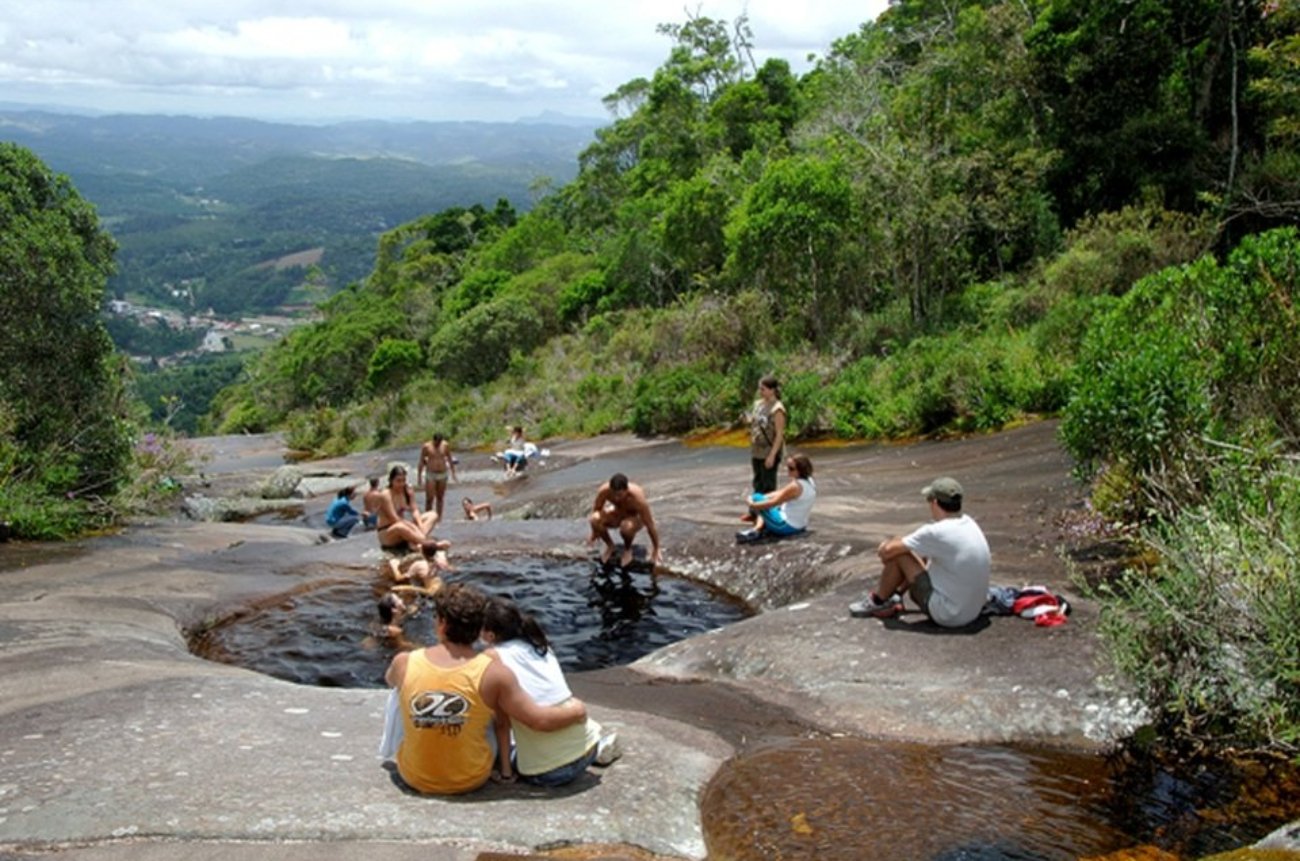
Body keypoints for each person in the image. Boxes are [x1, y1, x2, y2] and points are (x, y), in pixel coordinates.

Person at [383, 583, 589, 795]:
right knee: (489, 705)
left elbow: (390, 680)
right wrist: (577, 710)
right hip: (471, 777)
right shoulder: (495, 673)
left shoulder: (404, 661)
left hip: (414, 776)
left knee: (401, 690)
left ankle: (415, 751)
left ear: (442, 624)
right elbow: (536, 720)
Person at [480, 597, 621, 786]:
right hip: (589, 749)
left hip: (549, 772)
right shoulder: (539, 646)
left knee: (490, 723)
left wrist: (505, 773)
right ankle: (599, 748)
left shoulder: (492, 657)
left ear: (489, 635)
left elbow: (502, 723)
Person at [849, 477, 991, 628]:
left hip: (949, 615)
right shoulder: (970, 523)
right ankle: (895, 596)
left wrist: (884, 546)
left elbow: (887, 552)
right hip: (973, 610)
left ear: (935, 502)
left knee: (901, 552)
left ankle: (879, 601)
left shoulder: (936, 532)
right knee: (913, 547)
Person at [587, 473, 663, 568]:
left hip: (635, 518)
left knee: (626, 527)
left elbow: (650, 524)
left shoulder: (637, 498)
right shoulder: (604, 491)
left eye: (619, 495)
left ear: (626, 490)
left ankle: (627, 549)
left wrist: (656, 548)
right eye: (614, 494)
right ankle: (610, 546)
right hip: (617, 514)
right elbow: (597, 509)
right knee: (594, 519)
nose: (616, 498)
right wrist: (595, 532)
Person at [737, 453, 816, 543]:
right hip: (800, 525)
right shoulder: (809, 481)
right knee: (762, 498)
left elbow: (773, 502)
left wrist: (752, 504)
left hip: (785, 526)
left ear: (801, 470)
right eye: (787, 467)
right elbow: (782, 492)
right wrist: (764, 497)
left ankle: (757, 530)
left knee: (757, 498)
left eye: (791, 468)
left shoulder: (795, 486)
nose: (788, 470)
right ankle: (759, 526)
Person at [742, 376, 787, 521]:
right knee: (757, 482)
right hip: (756, 450)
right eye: (760, 388)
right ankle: (754, 513)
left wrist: (772, 455)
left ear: (772, 390)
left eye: (763, 389)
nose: (760, 392)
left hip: (769, 451)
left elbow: (779, 435)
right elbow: (755, 423)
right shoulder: (758, 404)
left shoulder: (777, 409)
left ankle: (768, 518)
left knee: (768, 486)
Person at [375, 465, 439, 553]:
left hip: (404, 526)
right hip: (388, 531)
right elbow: (394, 519)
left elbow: (415, 510)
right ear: (391, 481)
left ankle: (416, 542)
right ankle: (427, 543)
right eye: (398, 481)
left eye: (403, 480)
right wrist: (413, 527)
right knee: (400, 527)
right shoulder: (386, 494)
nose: (401, 484)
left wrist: (420, 526)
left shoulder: (407, 491)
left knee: (432, 515)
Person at [417, 433, 457, 522]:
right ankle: (427, 518)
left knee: (440, 497)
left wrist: (453, 473)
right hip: (431, 474)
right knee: (429, 498)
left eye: (439, 443)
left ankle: (439, 519)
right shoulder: (426, 447)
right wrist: (419, 476)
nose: (438, 444)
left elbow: (450, 459)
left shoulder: (445, 445)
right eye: (436, 443)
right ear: (433, 440)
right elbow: (421, 461)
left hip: (443, 473)